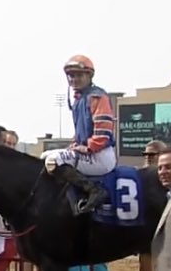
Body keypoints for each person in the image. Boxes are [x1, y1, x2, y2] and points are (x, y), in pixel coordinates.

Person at [40, 54, 118, 215]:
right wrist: (75, 144)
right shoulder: (79, 99)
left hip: (100, 155)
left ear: (89, 76)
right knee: (44, 155)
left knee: (55, 159)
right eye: (71, 75)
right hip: (89, 152)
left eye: (79, 75)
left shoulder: (97, 96)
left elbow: (103, 132)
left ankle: (94, 191)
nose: (74, 79)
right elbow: (81, 132)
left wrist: (87, 148)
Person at [133, 140, 168, 271]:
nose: (147, 158)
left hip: (167, 234)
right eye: (146, 155)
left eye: (151, 155)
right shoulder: (139, 175)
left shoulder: (170, 178)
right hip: (148, 232)